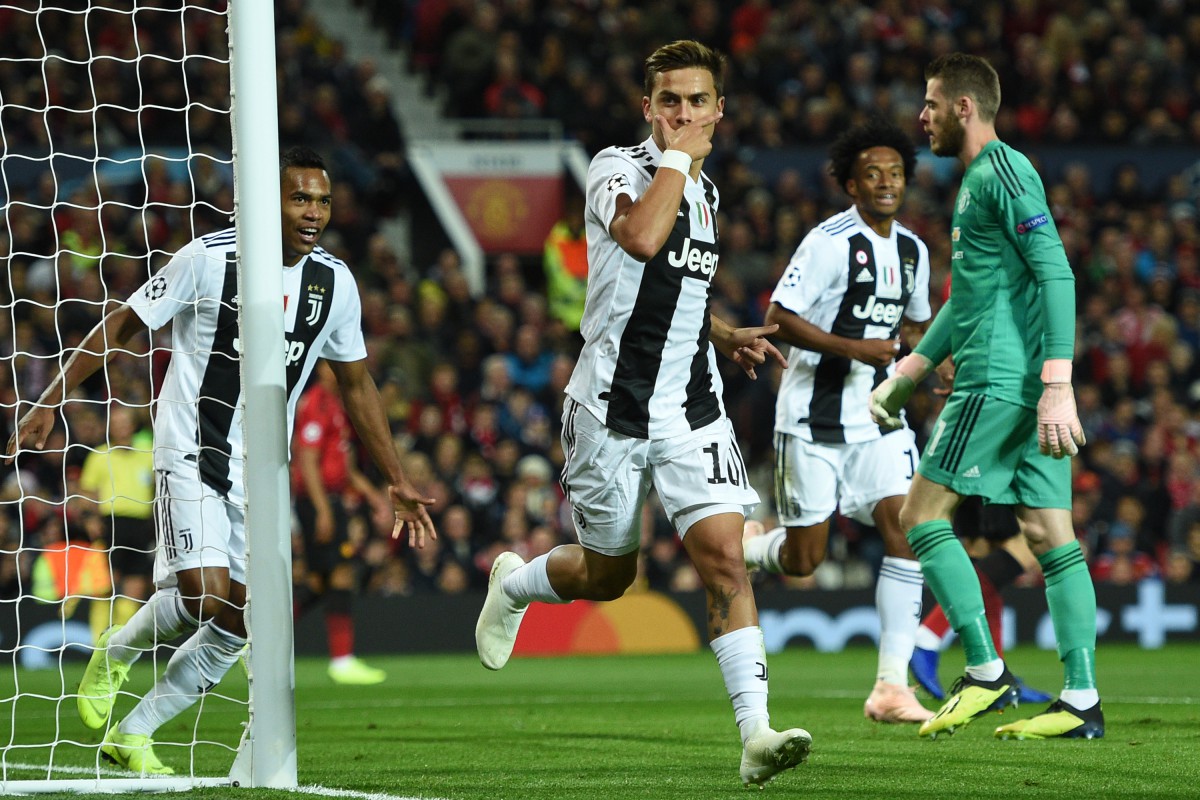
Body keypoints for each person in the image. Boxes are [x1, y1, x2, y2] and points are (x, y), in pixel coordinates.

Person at [6, 146, 437, 774]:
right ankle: (118, 651)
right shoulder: (209, 258)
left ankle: (135, 730)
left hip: (261, 471)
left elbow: (357, 383)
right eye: (299, 198)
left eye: (322, 200)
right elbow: (126, 325)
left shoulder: (334, 282)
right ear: (270, 200)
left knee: (239, 621)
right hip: (188, 447)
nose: (313, 212)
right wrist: (52, 398)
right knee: (206, 595)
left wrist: (396, 477)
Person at [474, 40, 811, 788]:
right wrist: (679, 161)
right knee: (607, 576)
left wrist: (719, 331)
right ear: (648, 108)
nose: (684, 115)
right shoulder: (617, 169)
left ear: (720, 109)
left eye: (698, 102)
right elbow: (640, 236)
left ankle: (755, 733)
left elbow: (669, 285)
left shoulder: (708, 193)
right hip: (610, 409)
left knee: (724, 556)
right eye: (670, 102)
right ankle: (517, 585)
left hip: (691, 406)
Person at [870, 52, 1101, 740]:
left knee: (920, 514)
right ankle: (1081, 697)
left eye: (931, 104)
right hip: (1019, 382)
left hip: (1000, 381)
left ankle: (982, 668)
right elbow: (968, 298)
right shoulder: (977, 181)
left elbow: (1055, 271)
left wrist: (1057, 386)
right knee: (1048, 533)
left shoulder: (1001, 170)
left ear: (963, 108)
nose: (923, 116)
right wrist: (912, 369)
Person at [741, 117, 934, 724]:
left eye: (896, 173)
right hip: (812, 421)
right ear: (851, 184)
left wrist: (935, 362)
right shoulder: (828, 243)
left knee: (909, 531)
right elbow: (779, 314)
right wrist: (856, 349)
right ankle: (752, 546)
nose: (886, 183)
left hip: (880, 418)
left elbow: (917, 328)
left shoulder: (913, 251)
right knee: (805, 562)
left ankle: (890, 687)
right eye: (872, 174)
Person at [292, 361, 392, 685]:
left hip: (332, 500)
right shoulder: (317, 403)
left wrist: (375, 497)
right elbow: (306, 460)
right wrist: (322, 509)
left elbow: (345, 468)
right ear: (322, 370)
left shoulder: (336, 404)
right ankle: (342, 660)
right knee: (341, 574)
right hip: (319, 501)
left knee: (320, 583)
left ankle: (253, 639)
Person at [909, 498, 1053, 705]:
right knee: (1025, 548)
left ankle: (995, 674)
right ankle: (928, 636)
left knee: (982, 552)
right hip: (996, 477)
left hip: (974, 480)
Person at [77, 405, 156, 636]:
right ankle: (98, 645)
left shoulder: (147, 451)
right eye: (117, 423)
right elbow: (85, 494)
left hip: (142, 526)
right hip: (111, 524)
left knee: (135, 586)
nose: (122, 428)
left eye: (125, 423)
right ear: (110, 428)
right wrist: (90, 519)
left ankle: (123, 645)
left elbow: (159, 484)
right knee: (105, 585)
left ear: (133, 426)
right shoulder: (99, 456)